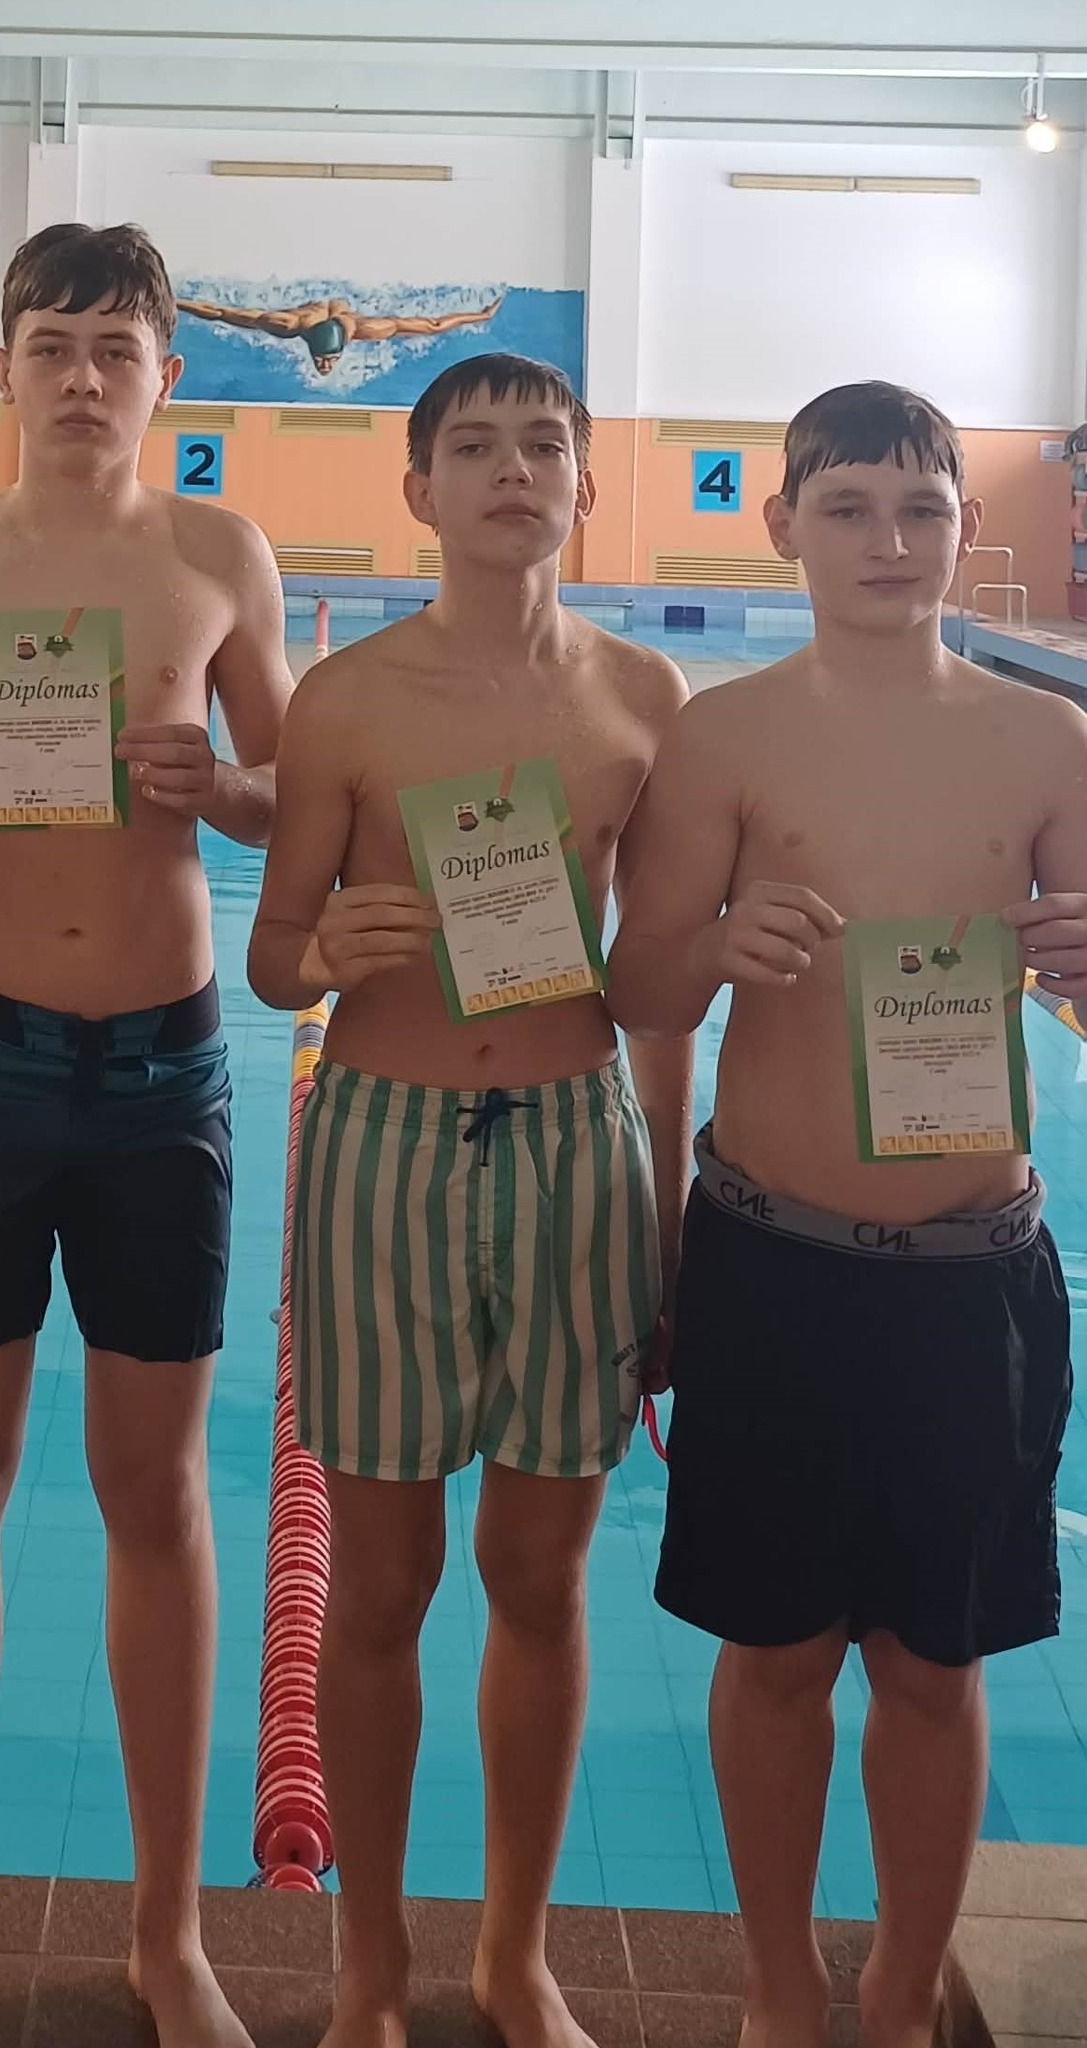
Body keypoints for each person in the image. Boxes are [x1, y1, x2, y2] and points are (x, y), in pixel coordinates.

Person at [0, 223, 292, 2048]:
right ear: (1, 370)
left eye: (116, 346)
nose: (84, 376)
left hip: (164, 1070)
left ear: (167, 373)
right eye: (52, 344)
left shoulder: (216, 553)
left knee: (155, 1495)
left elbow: (295, 795)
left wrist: (221, 785)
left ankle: (168, 1933)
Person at [606, 381, 1087, 2048]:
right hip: (771, 1260)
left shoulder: (1042, 739)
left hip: (969, 1273)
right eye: (847, 508)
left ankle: (891, 1996)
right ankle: (771, 1991)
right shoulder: (721, 736)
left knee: (932, 1666)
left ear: (964, 524)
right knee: (774, 1655)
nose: (888, 541)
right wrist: (708, 950)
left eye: (919, 508)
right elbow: (637, 991)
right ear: (780, 526)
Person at [248, 352, 692, 2048]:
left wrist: (666, 1219)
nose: (512, 470)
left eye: (543, 445)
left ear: (581, 483)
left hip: (578, 1139)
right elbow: (268, 952)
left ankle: (512, 1953)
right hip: (382, 1136)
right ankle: (366, 1962)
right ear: (417, 491)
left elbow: (658, 990)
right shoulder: (344, 701)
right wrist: (318, 949)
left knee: (538, 1578)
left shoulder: (642, 697)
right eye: (475, 447)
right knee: (374, 1588)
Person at [175, 292, 505, 376]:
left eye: (328, 361)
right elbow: (220, 312)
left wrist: (481, 315)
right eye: (324, 361)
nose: (325, 367)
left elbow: (433, 325)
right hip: (312, 311)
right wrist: (172, 301)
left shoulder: (364, 329)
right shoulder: (288, 324)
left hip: (341, 313)